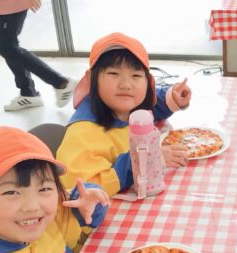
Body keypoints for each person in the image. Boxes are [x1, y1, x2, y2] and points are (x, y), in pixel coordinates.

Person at [56, 32, 191, 197]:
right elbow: (82, 189)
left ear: (147, 82)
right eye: (113, 73)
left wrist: (172, 98)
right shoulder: (83, 134)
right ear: (92, 79)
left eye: (136, 75)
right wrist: (147, 159)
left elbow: (152, 105)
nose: (126, 85)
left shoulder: (128, 106)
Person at [0, 0, 77, 111]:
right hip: (0, 6)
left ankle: (61, 83)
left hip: (10, 5)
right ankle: (28, 93)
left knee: (7, 47)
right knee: (9, 47)